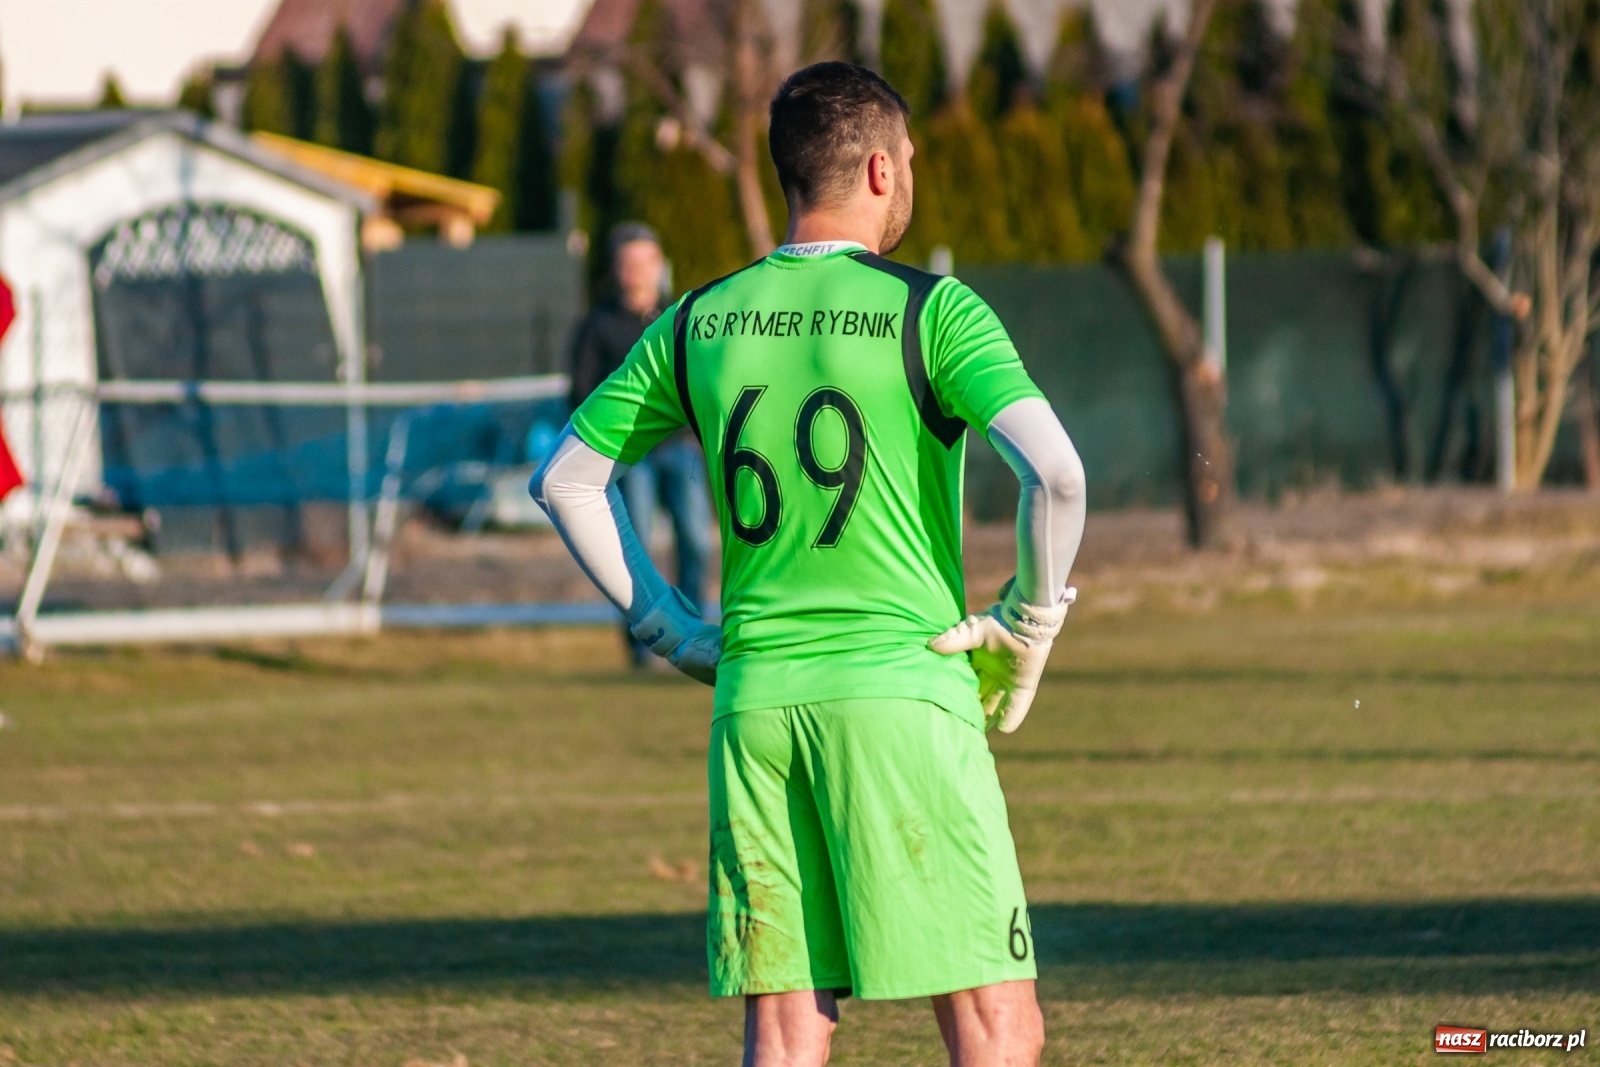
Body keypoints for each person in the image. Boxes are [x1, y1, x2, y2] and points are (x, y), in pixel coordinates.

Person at [534, 61, 1086, 1067]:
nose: (911, 176)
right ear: (881, 170)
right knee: (997, 1024)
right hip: (902, 691)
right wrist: (1027, 627)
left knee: (786, 1034)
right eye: (910, 159)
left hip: (754, 705)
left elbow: (567, 478)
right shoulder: (936, 310)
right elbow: (1056, 477)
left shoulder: (701, 318)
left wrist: (668, 626)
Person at [566, 222, 714, 663]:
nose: (636, 272)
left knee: (695, 540)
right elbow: (580, 392)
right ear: (616, 269)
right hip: (632, 459)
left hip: (680, 450)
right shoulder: (597, 325)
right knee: (635, 552)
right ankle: (644, 644)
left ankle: (693, 635)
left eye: (643, 262)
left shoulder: (682, 316)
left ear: (658, 265)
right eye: (627, 263)